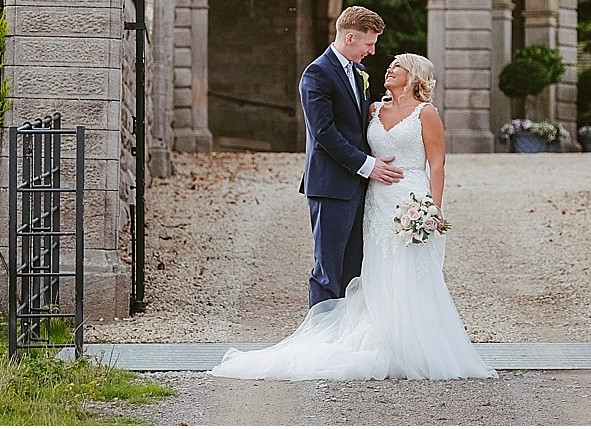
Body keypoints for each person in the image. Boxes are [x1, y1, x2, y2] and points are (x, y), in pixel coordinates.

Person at [210, 50, 496, 380]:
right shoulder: (373, 109)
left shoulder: (426, 113)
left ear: (414, 75)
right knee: (375, 266)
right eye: (389, 65)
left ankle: (417, 345)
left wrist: (434, 208)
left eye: (397, 66)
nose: (389, 69)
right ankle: (381, 336)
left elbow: (437, 163)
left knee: (411, 271)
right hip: (375, 201)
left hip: (411, 195)